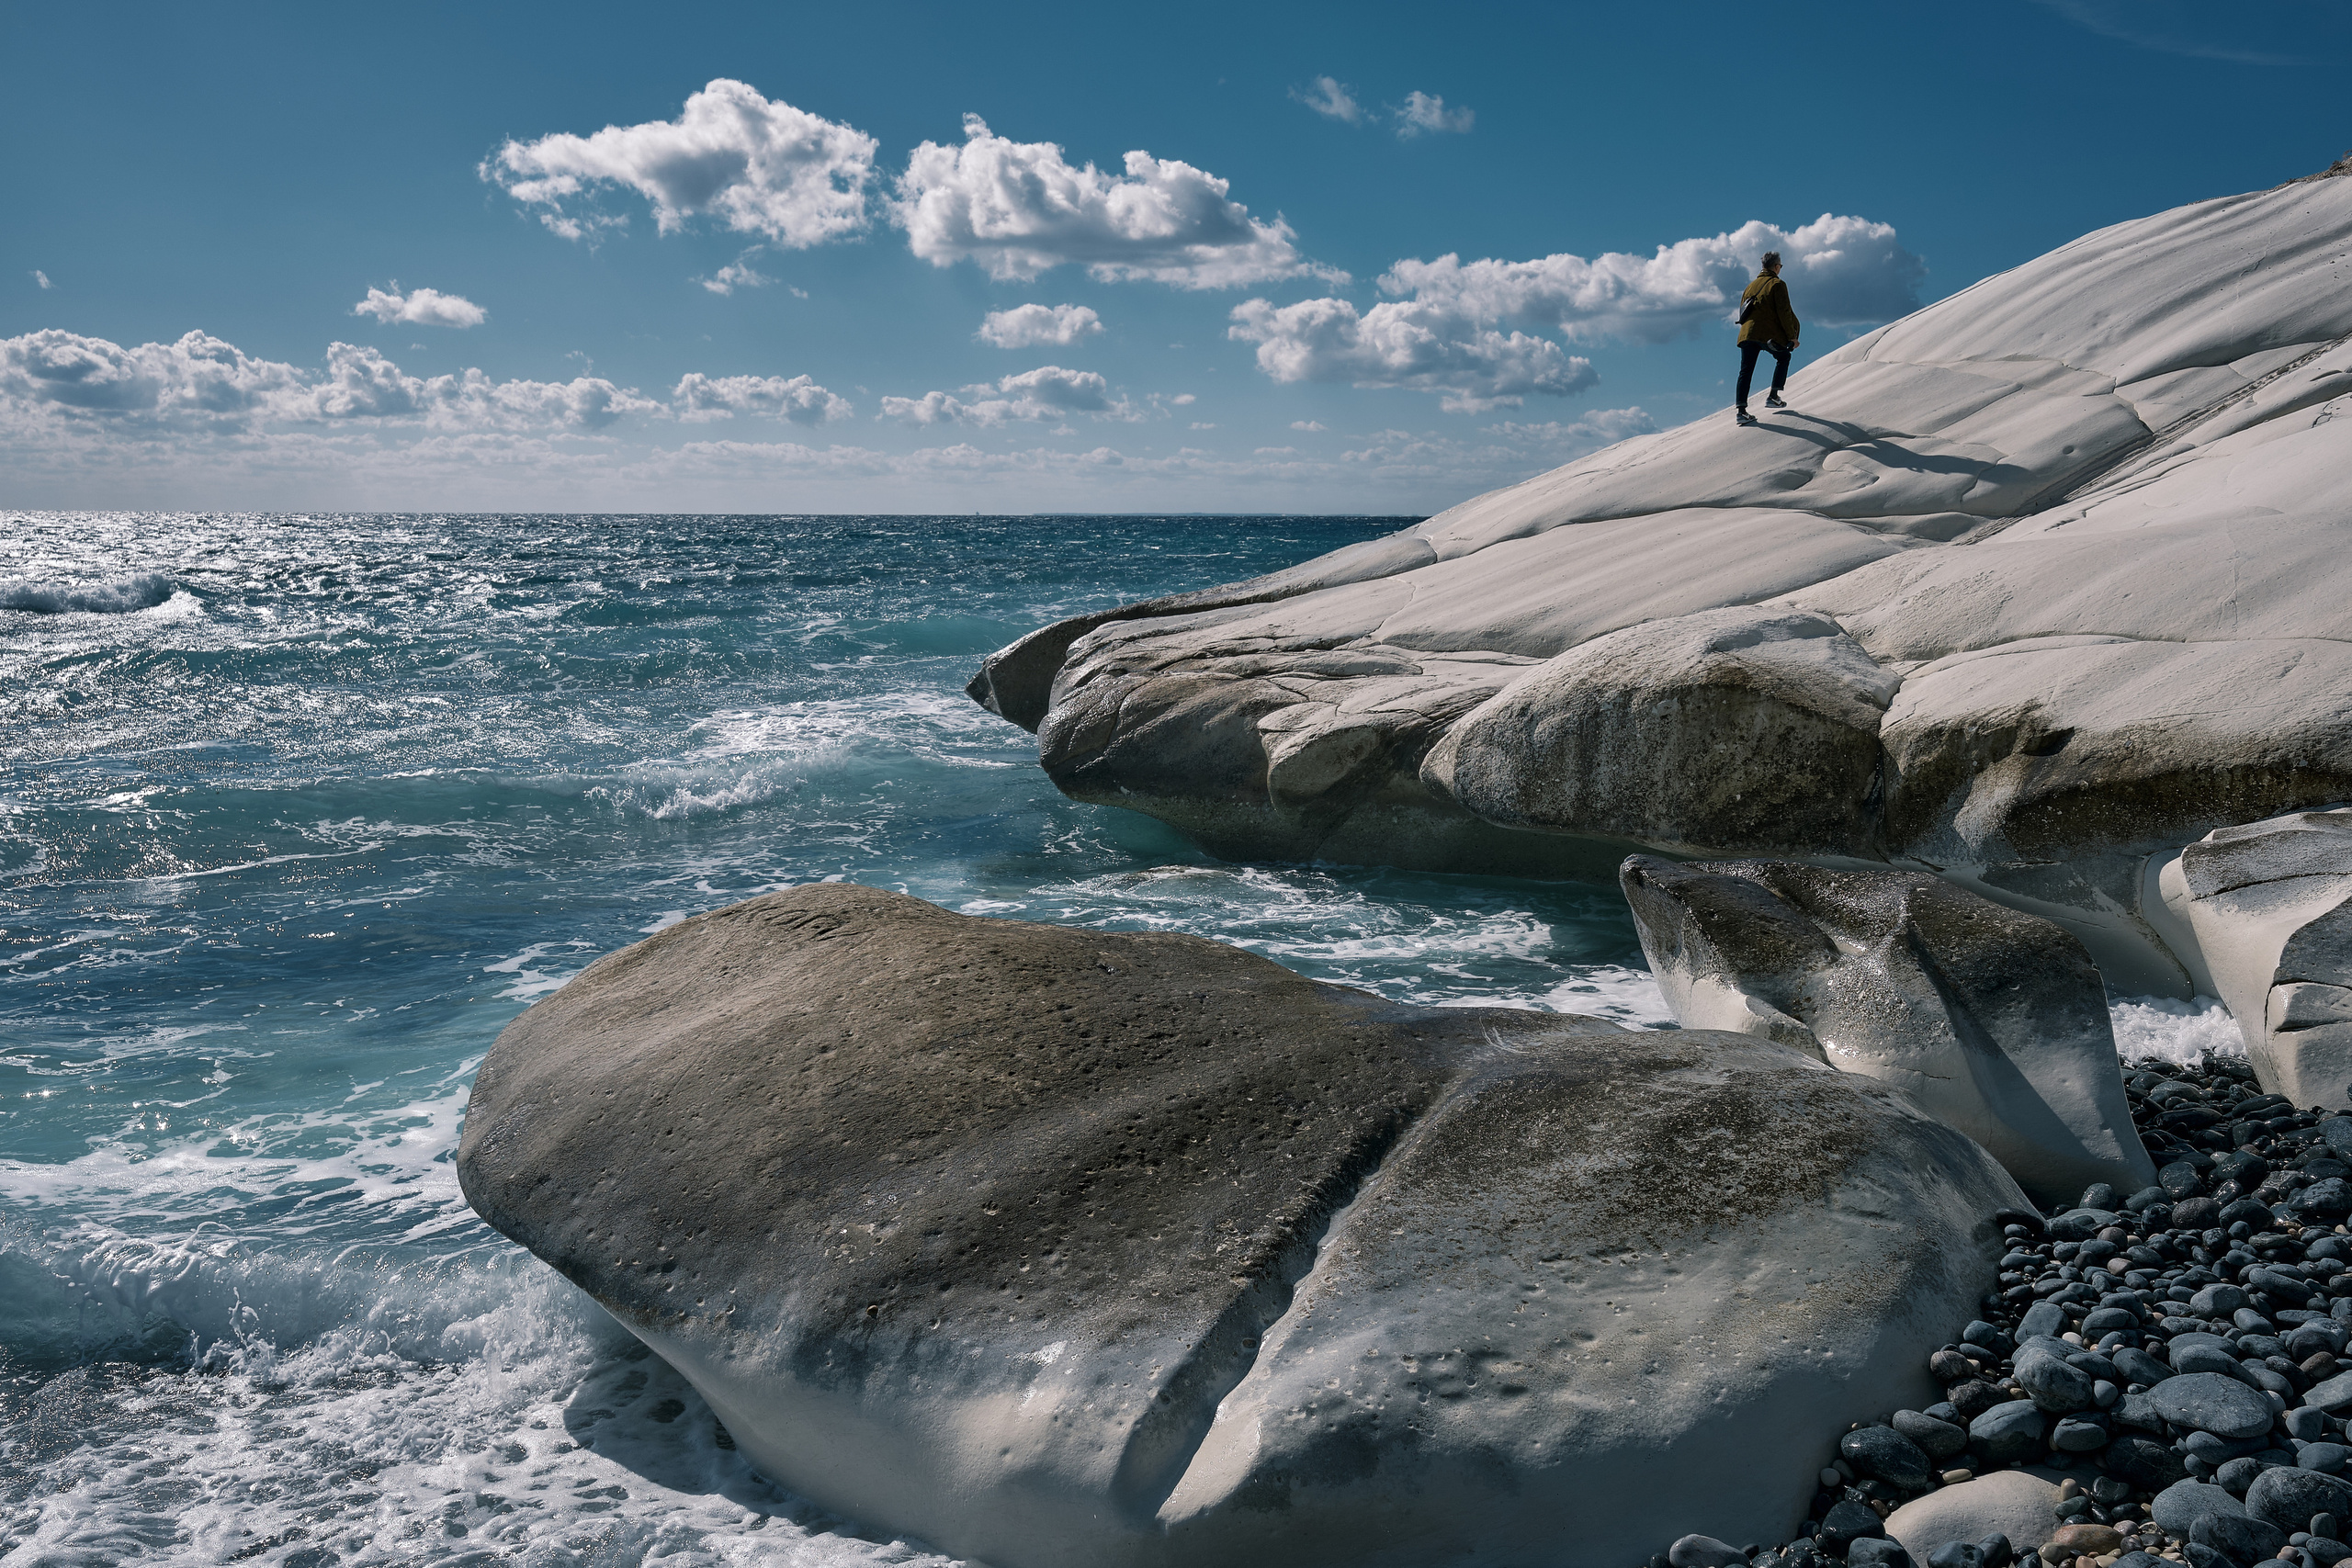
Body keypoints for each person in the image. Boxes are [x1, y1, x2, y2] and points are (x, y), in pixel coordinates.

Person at [1735, 251, 1800, 425]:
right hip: (1766, 334)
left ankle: (1741, 412)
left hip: (1747, 334)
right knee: (1784, 357)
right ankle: (1773, 396)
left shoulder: (1751, 286)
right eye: (1781, 266)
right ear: (1776, 266)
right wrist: (1792, 337)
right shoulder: (1777, 284)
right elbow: (1784, 312)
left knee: (1745, 371)